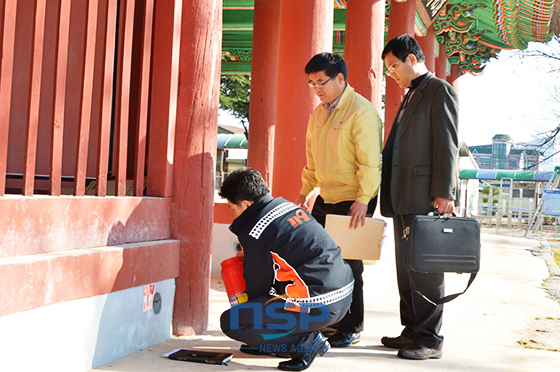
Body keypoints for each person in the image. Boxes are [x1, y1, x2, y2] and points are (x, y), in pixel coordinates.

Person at [219, 168, 354, 371]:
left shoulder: (256, 229)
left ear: (246, 204)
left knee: (233, 320)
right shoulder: (286, 206)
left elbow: (258, 288)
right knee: (260, 311)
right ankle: (274, 343)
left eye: (233, 209)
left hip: (318, 306)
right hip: (342, 297)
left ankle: (304, 342)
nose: (234, 215)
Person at [379, 34, 459, 360]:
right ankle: (411, 330)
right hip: (401, 196)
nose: (391, 73)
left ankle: (430, 339)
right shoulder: (410, 95)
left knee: (426, 271)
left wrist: (444, 192)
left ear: (411, 59)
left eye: (392, 66)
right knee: (406, 268)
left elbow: (447, 144)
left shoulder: (439, 90)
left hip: (425, 196)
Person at [295, 52, 383, 347]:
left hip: (353, 198)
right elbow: (312, 157)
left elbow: (370, 162)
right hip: (327, 195)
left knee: (349, 265)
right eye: (312, 83)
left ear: (340, 79)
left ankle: (351, 326)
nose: (317, 89)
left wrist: (364, 199)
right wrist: (305, 190)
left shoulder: (361, 111)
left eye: (321, 82)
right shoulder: (319, 112)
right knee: (321, 262)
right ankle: (328, 321)